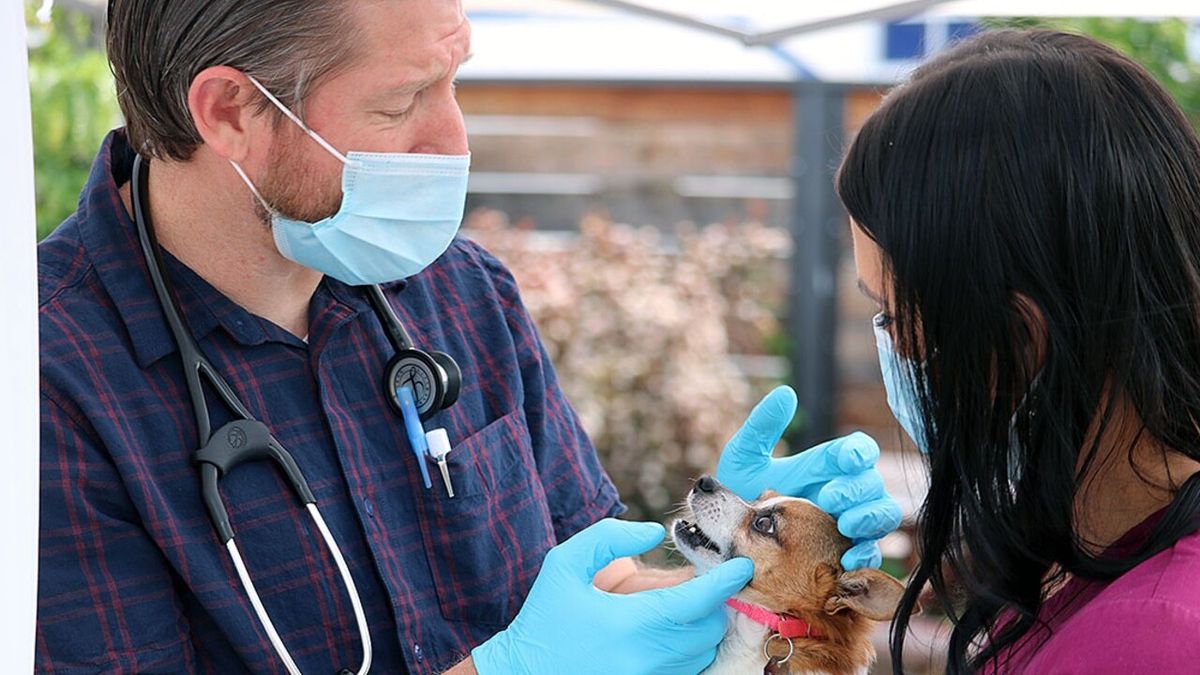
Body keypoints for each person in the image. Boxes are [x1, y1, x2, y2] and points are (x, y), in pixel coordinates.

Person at [36, 1, 901, 673]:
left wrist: (736, 569)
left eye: (455, 80)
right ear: (229, 110)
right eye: (403, 100)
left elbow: (592, 582)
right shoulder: (48, 378)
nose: (454, 139)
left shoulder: (460, 293)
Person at [840, 29, 1200, 674]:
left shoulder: (1147, 641)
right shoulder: (1092, 555)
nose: (888, 345)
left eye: (893, 315)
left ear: (1017, 339)